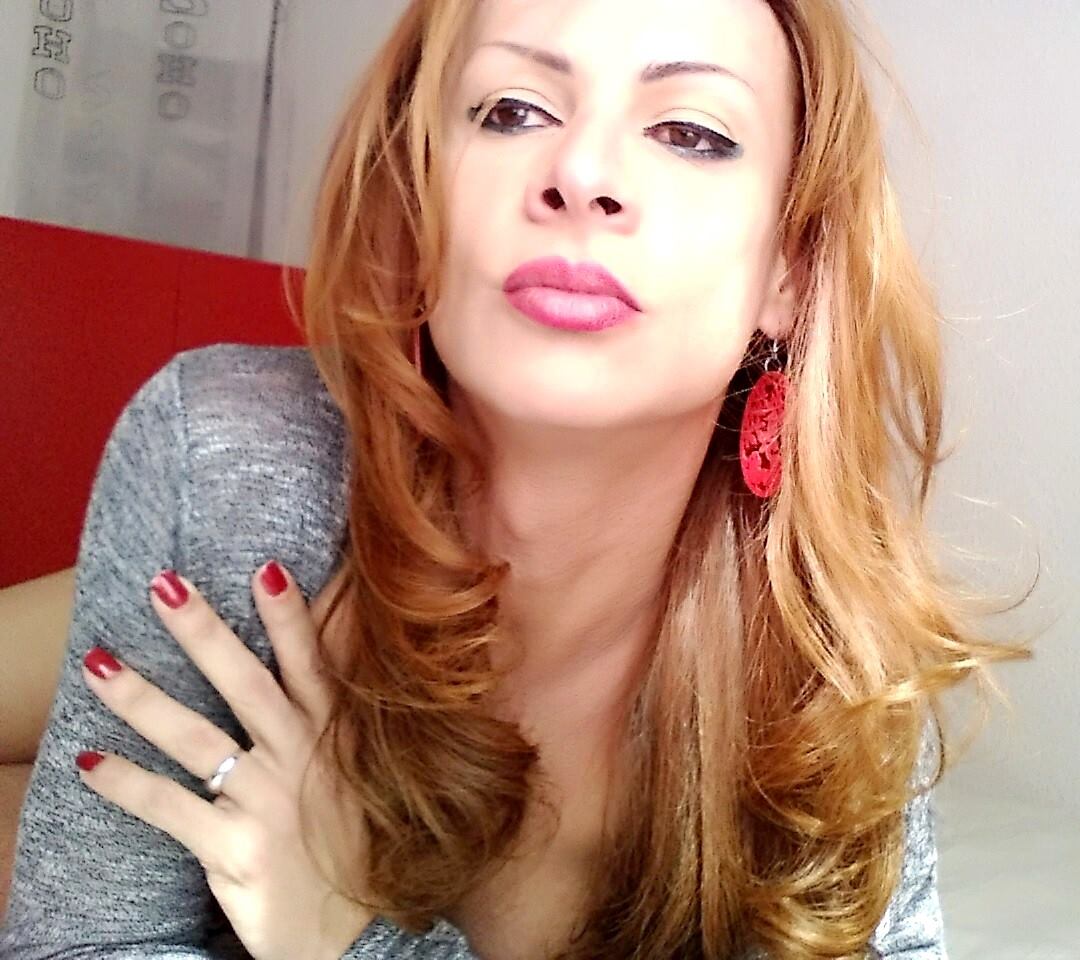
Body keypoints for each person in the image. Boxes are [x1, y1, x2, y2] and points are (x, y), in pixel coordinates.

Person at [0, 0, 1033, 957]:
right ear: (419, 207)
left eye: (690, 132)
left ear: (789, 271)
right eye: (512, 109)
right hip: (271, 556)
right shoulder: (227, 458)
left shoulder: (836, 667)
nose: (581, 171)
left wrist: (349, 936)